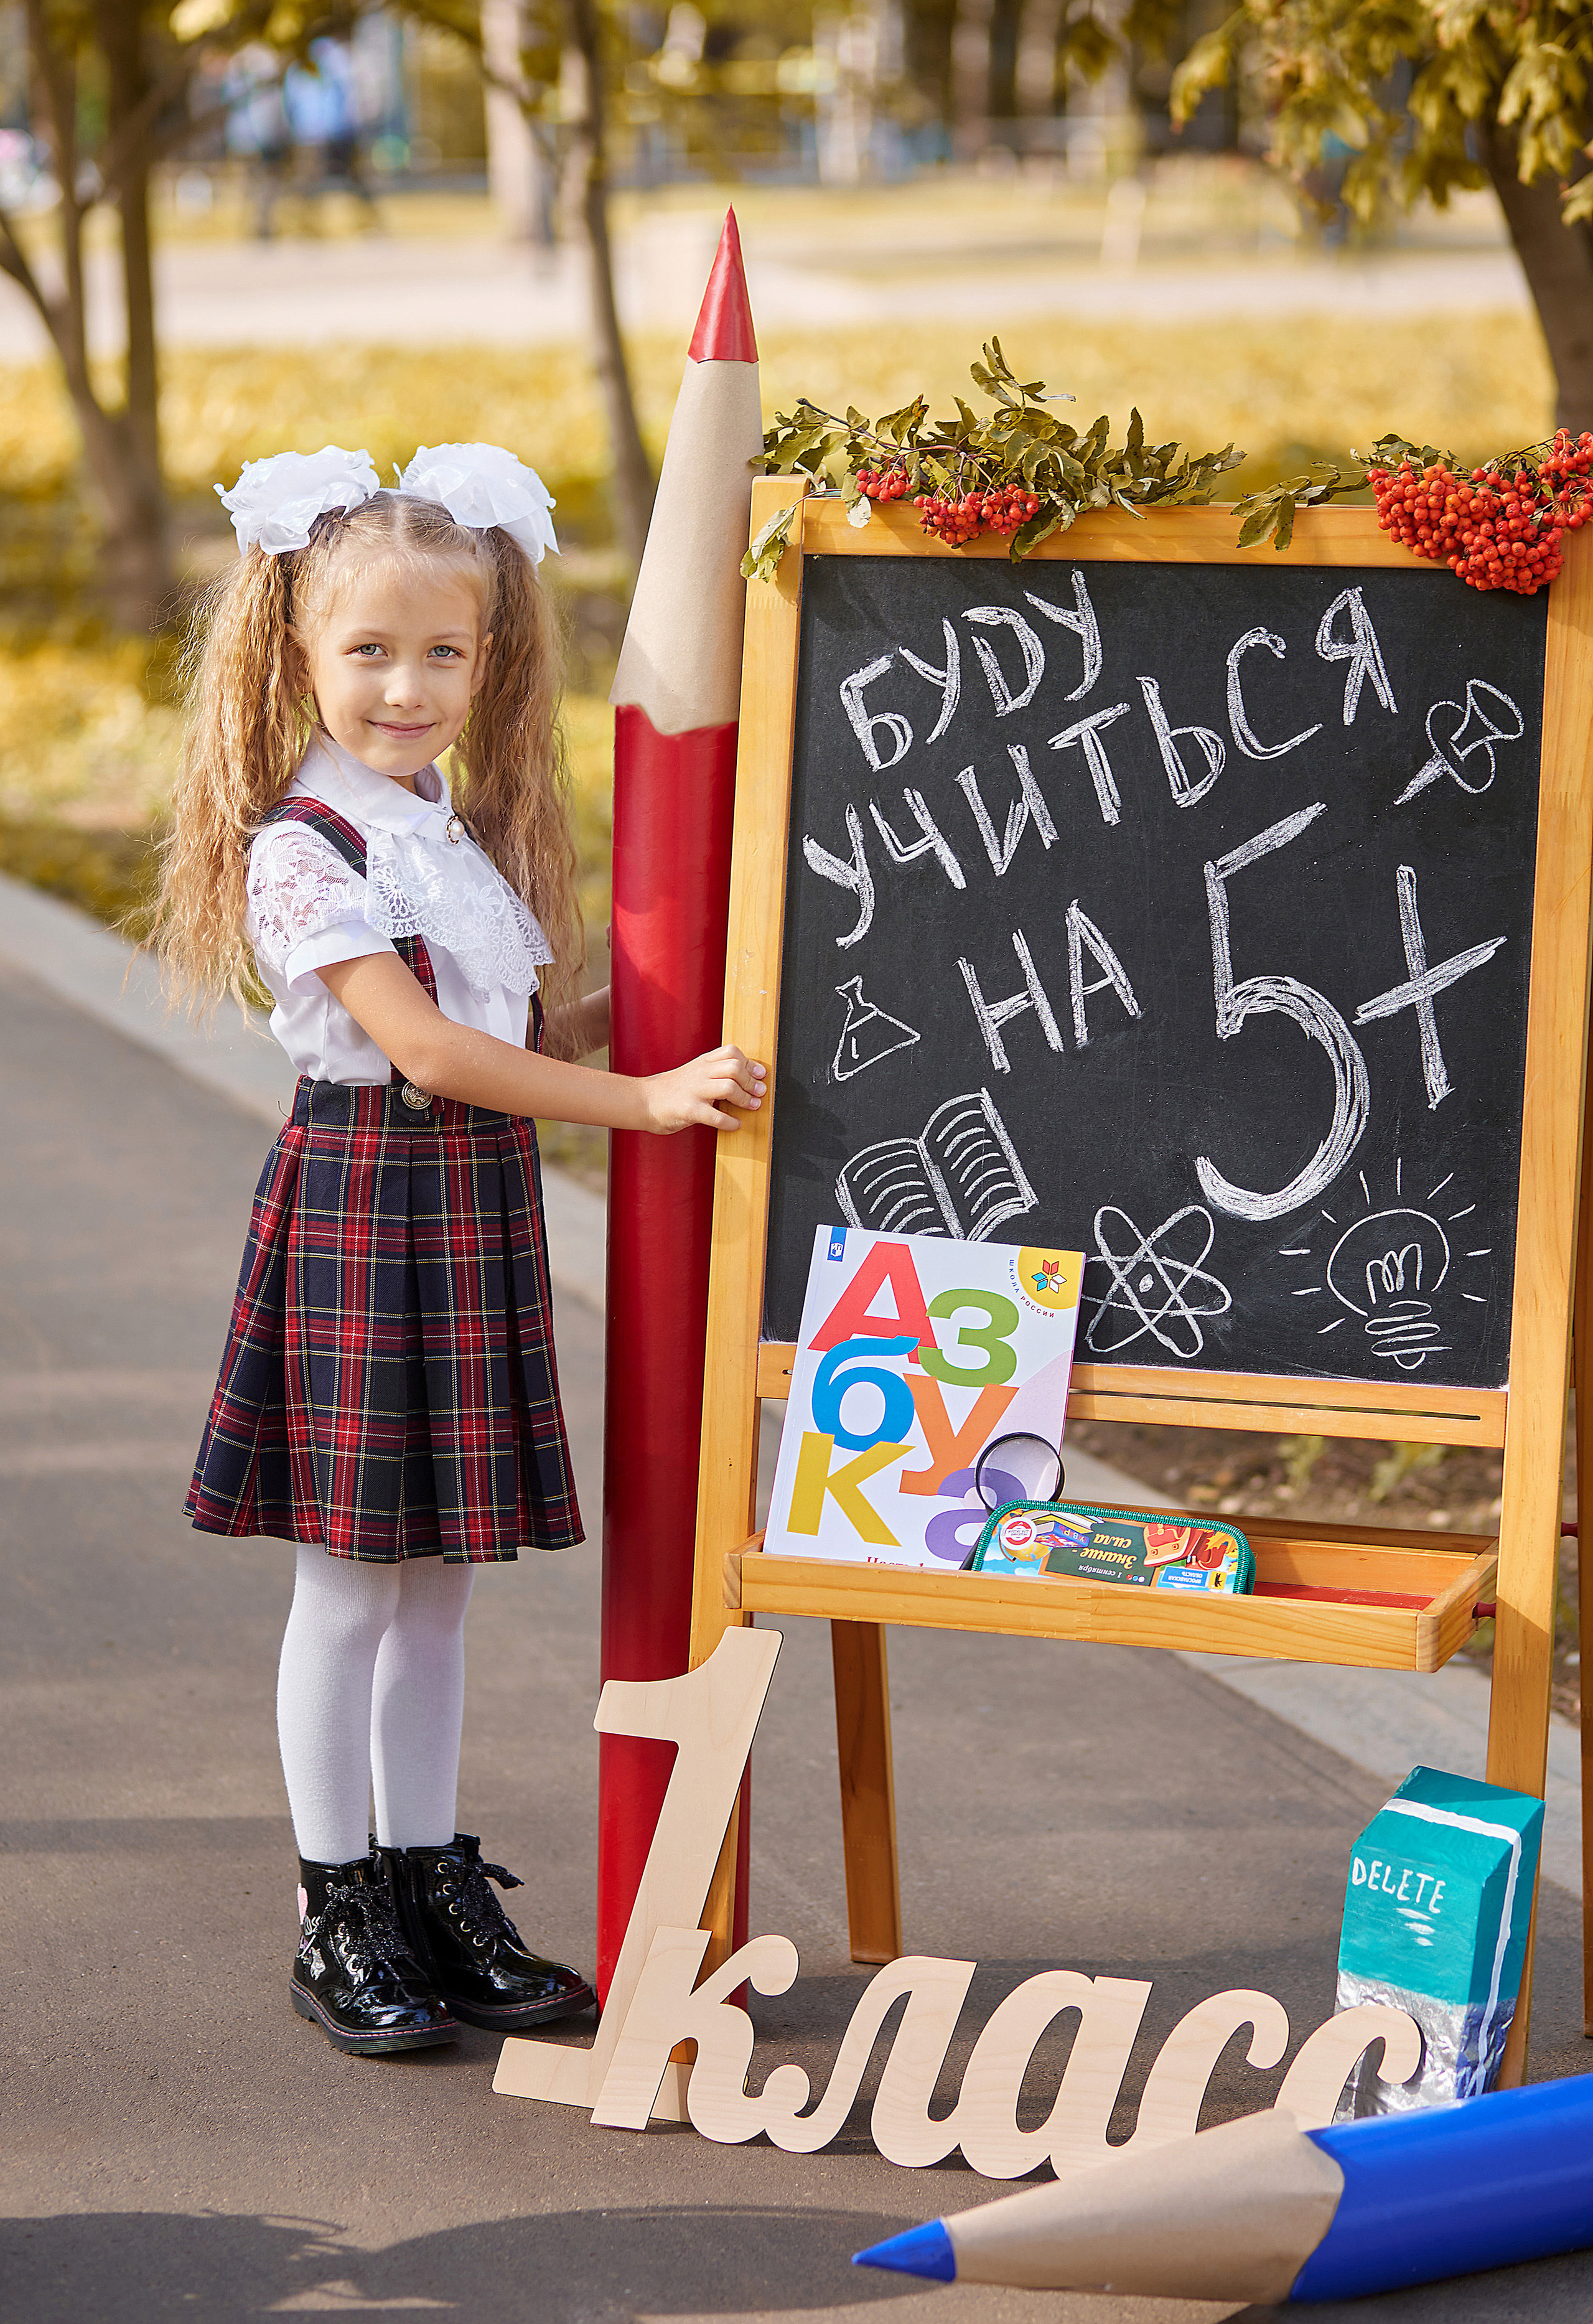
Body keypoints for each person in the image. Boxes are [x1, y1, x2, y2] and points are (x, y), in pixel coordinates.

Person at [155, 443, 765, 2058]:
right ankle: (334, 1906)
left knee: (438, 1591)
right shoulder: (307, 847)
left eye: (445, 651)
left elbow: (509, 1037)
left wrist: (659, 1010)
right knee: (350, 1587)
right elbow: (425, 1052)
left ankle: (428, 1885)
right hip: (369, 1206)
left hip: (469, 1206)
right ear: (297, 650)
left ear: (488, 659)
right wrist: (641, 1102)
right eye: (370, 650)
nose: (408, 688)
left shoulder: (440, 827)